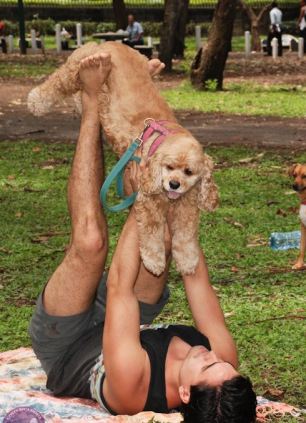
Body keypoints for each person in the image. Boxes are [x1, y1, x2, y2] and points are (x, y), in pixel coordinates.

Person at [29, 53, 257, 422]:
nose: (211, 355)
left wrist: (145, 196)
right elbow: (194, 272)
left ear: (183, 394)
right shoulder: (222, 363)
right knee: (166, 245)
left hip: (67, 343)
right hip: (126, 323)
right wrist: (177, 197)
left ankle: (91, 100)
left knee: (90, 243)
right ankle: (133, 89)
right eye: (222, 363)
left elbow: (120, 285)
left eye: (206, 366)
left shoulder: (133, 387)